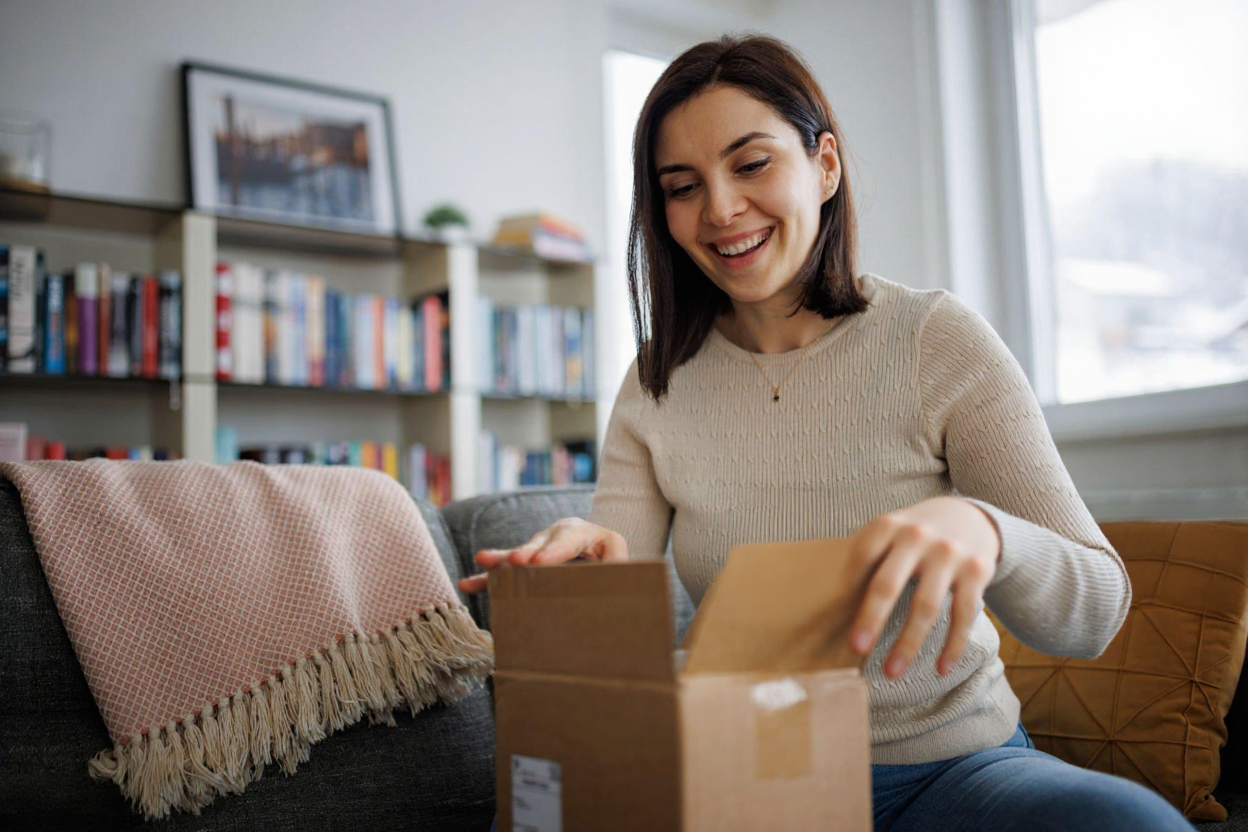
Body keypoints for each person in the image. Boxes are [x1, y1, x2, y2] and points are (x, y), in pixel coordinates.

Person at [461, 34, 1194, 832]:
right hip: (748, 772)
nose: (719, 209)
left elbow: (1095, 613)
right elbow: (616, 610)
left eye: (751, 164)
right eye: (683, 186)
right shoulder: (656, 378)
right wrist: (586, 577)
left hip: (952, 771)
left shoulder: (934, 340)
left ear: (825, 166)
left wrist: (989, 530)